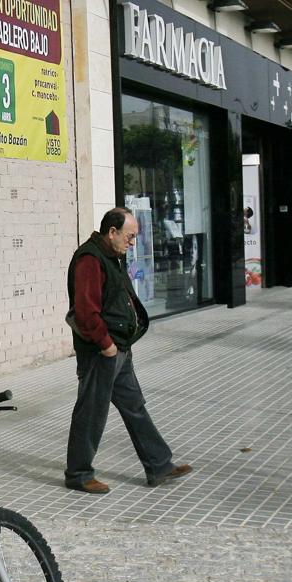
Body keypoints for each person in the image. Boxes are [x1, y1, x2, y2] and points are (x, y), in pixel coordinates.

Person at [64, 208, 192, 494]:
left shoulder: (112, 256)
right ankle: (79, 474)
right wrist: (106, 345)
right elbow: (86, 312)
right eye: (129, 236)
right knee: (91, 412)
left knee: (134, 406)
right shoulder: (89, 259)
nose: (132, 242)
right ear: (112, 232)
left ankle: (159, 464)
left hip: (120, 347)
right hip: (102, 350)